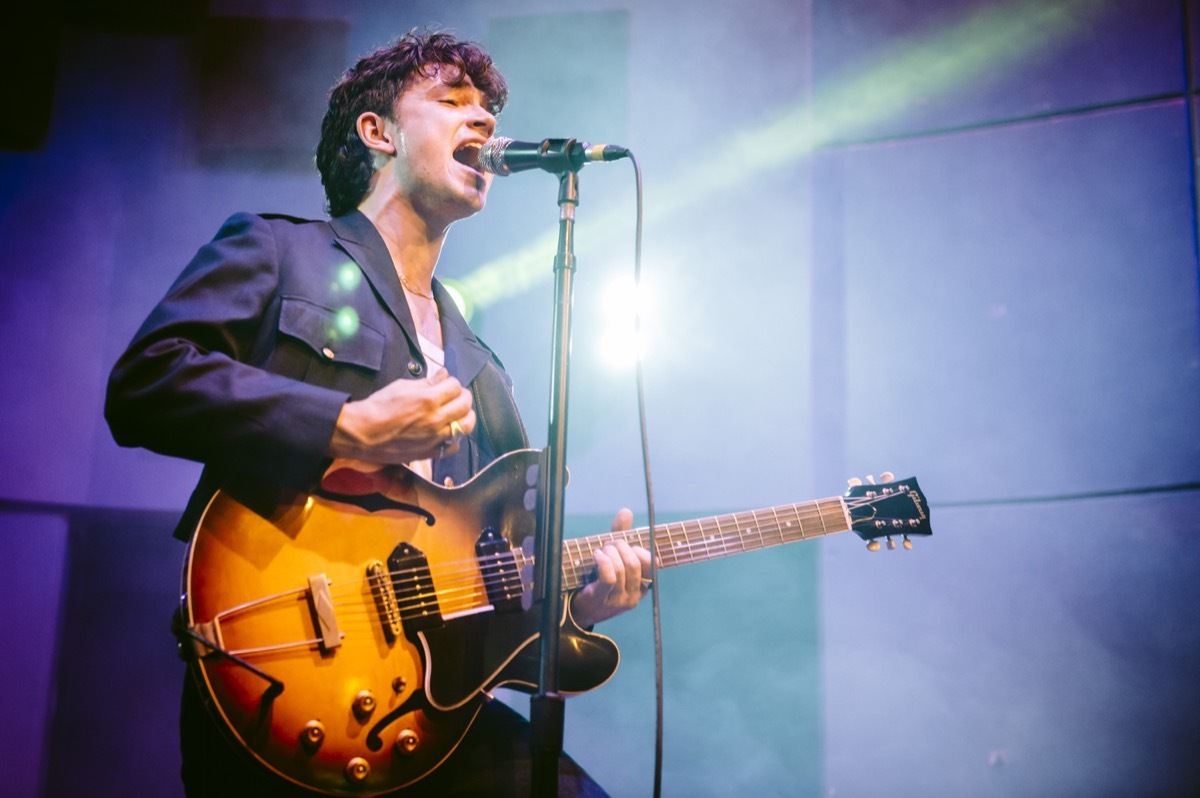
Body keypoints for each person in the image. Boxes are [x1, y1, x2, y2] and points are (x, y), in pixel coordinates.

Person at [105, 30, 650, 797]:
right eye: (453, 100)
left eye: (488, 108)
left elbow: (485, 571)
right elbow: (145, 385)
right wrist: (342, 425)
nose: (485, 120)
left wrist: (575, 602)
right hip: (286, 667)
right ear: (378, 132)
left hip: (427, 710)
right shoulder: (276, 251)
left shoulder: (482, 366)